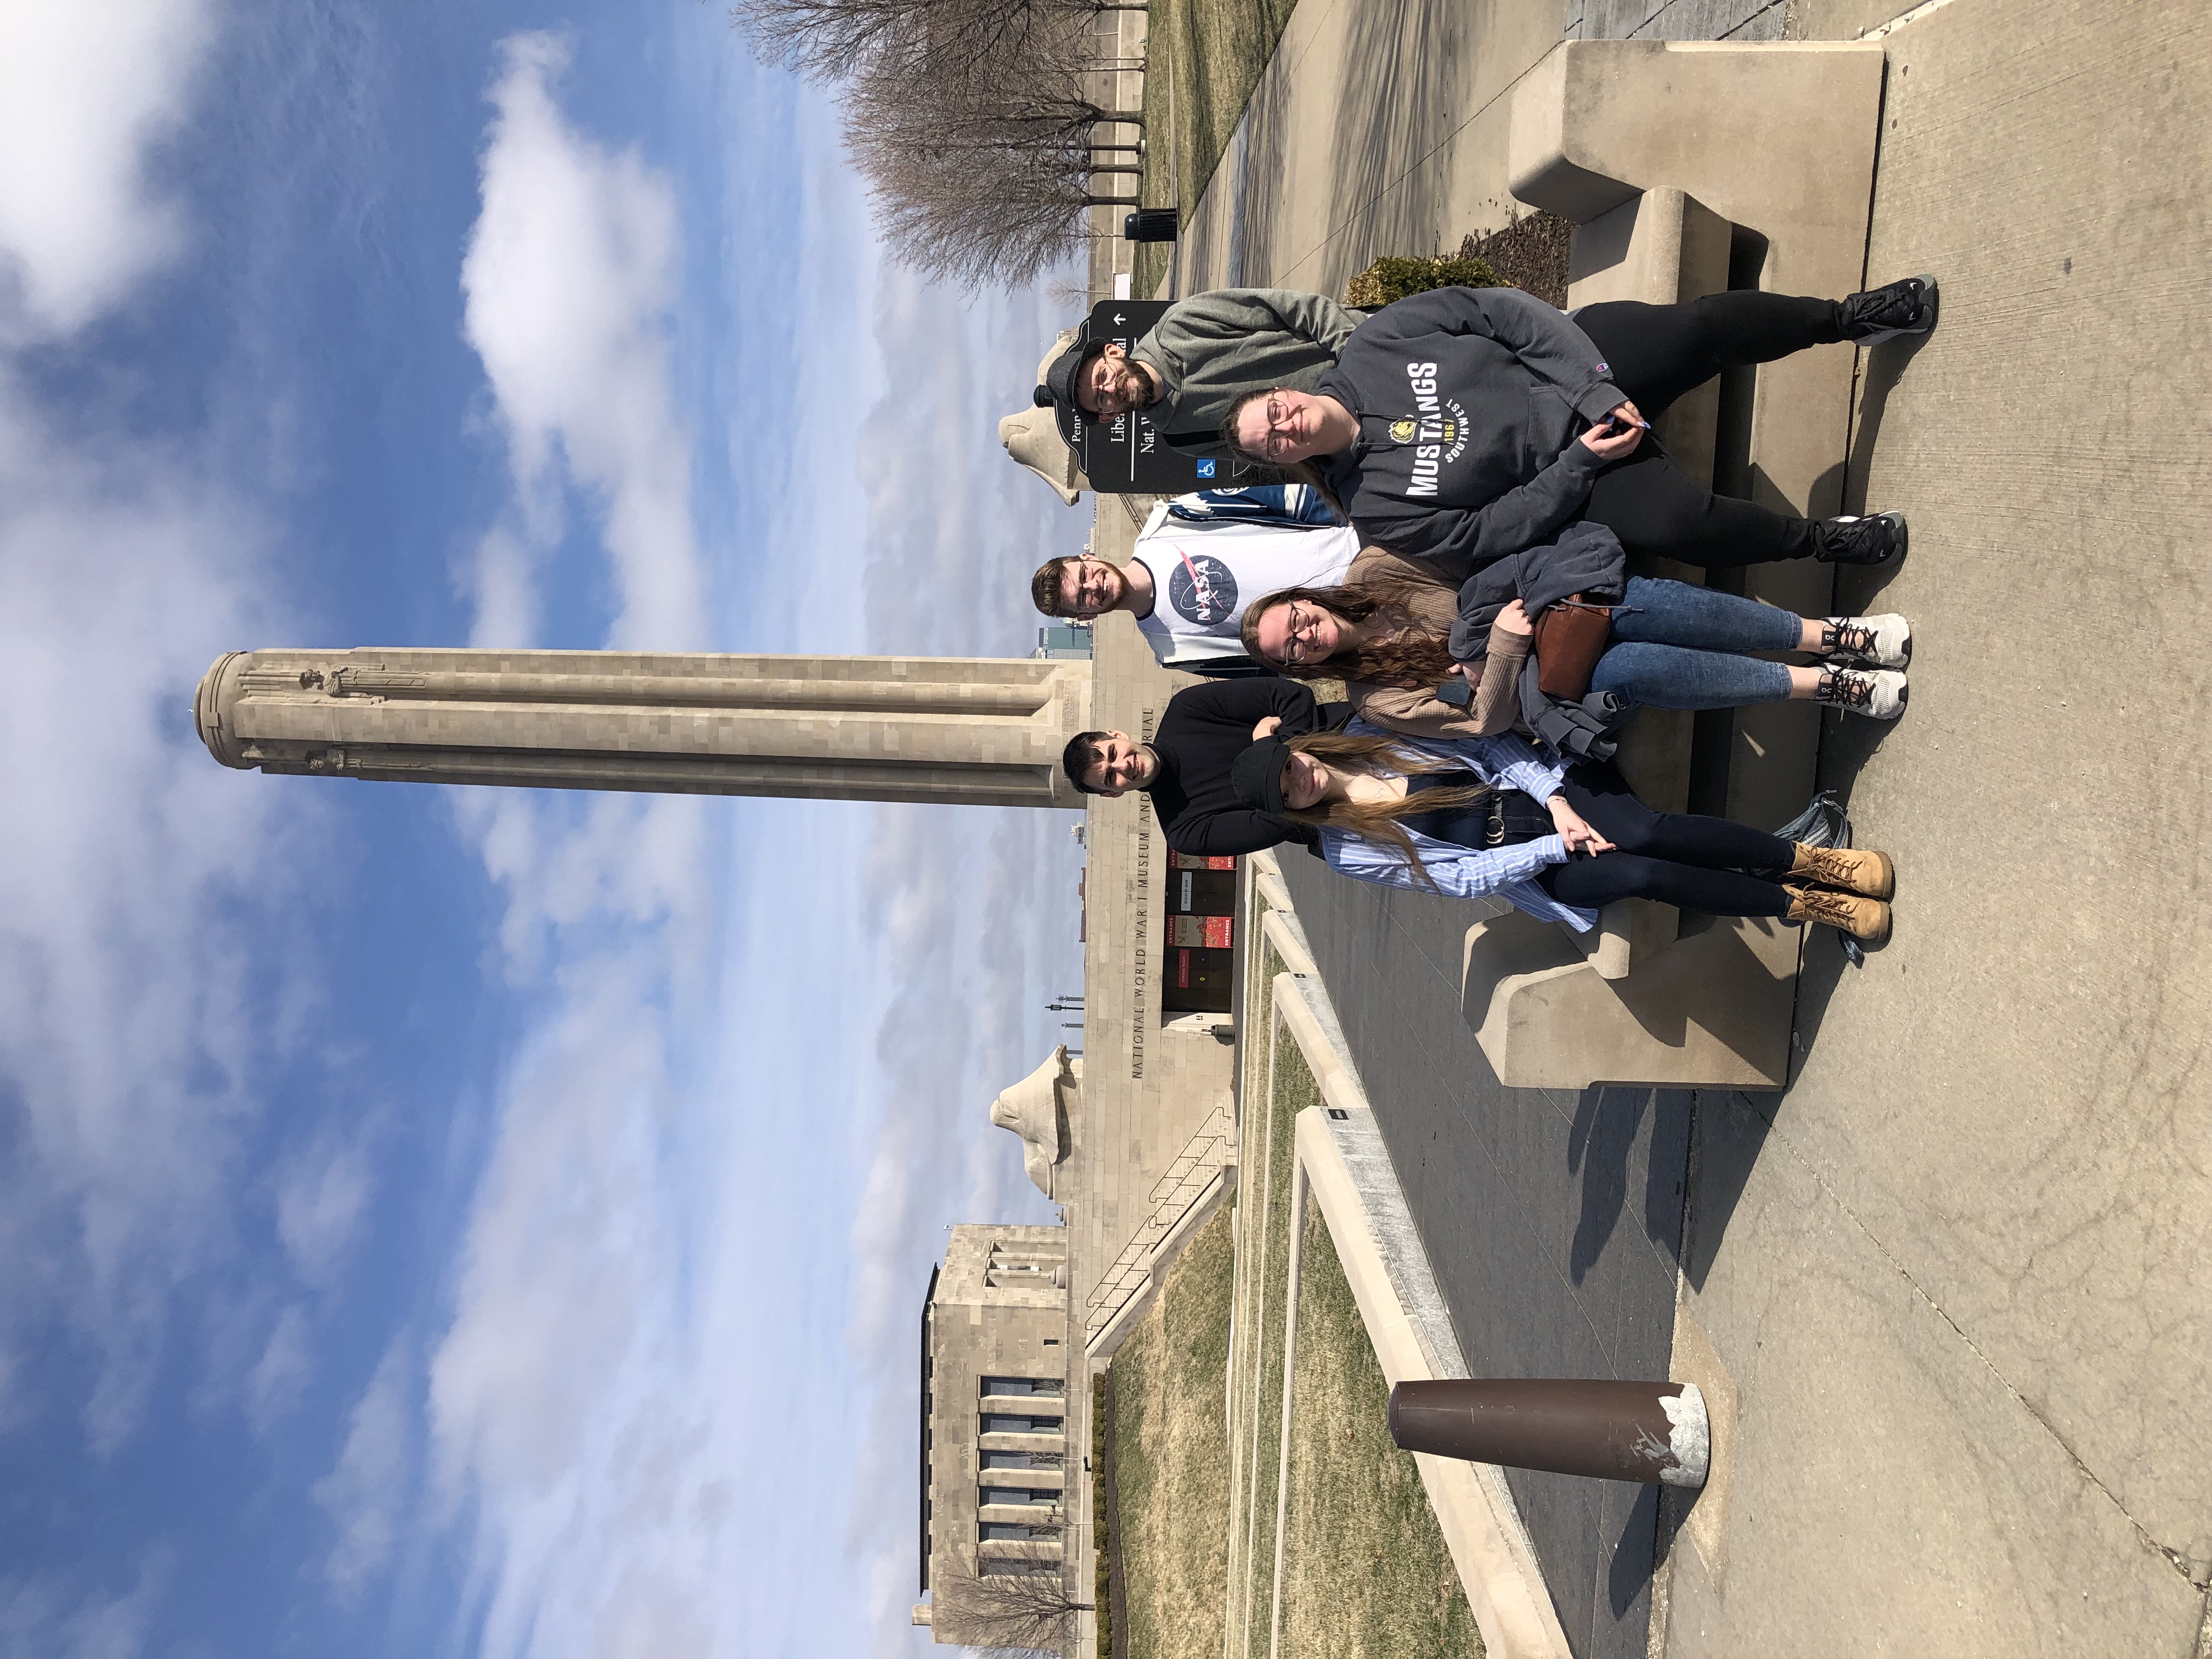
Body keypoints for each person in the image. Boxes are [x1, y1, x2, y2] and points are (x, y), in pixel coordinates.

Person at [1220, 278, 1938, 571]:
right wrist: (1581, 463)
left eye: (1274, 412)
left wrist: (1592, 393)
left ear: (1284, 391)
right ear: (1288, 459)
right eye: (1274, 441)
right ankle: (1821, 541)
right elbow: (1484, 535)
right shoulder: (1377, 510)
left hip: (1582, 366)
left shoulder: (1377, 343)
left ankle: (1849, 320)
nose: (1285, 426)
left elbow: (1500, 312)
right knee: (1682, 526)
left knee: (1699, 327)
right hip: (1581, 477)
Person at [1239, 528, 1912, 744]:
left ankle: (1833, 636)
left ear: (1302, 598)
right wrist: (1502, 645)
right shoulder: (1375, 702)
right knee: (1626, 669)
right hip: (1550, 684)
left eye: (1293, 619)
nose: (1303, 635)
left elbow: (1479, 559)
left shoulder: (1376, 569)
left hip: (1553, 606)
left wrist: (1500, 627)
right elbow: (1486, 724)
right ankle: (1826, 685)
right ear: (1299, 668)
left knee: (1633, 606)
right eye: (1289, 649)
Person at [1228, 724, 1895, 942]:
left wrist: (1555, 804)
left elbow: (1491, 750)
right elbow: (1458, 878)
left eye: (1290, 767)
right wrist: (1554, 846)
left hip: (1544, 791)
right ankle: (1807, 904)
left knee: (1646, 830)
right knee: (1642, 873)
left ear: (1297, 749)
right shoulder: (1347, 848)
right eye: (1286, 792)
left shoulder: (1373, 737)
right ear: (1291, 812)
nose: (1300, 781)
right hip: (1531, 862)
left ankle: (1813, 860)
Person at [1032, 484, 1362, 670]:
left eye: (1085, 574)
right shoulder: (1174, 653)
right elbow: (1269, 669)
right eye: (1082, 598)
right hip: (1355, 629)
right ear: (1086, 616)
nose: (1094, 586)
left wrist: (1358, 524)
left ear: (1088, 558)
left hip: (1362, 547)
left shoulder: (1171, 518)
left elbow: (1277, 502)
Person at [1034, 289, 1366, 461]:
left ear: (1113, 352)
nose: (1111, 389)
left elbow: (1297, 309)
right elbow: (1279, 457)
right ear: (1107, 417)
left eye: (1103, 376)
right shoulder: (1182, 439)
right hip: (1363, 431)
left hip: (1370, 363)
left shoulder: (1181, 323)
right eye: (1101, 399)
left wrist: (1363, 362)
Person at [1061, 676, 1336, 856]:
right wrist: (1267, 748)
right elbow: (1277, 826)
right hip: (1342, 818)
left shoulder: (1188, 709)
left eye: (1113, 752)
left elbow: (1291, 697)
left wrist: (1296, 763)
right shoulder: (1184, 831)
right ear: (1112, 794)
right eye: (1111, 778)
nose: (1123, 765)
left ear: (1118, 735)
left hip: (1350, 739)